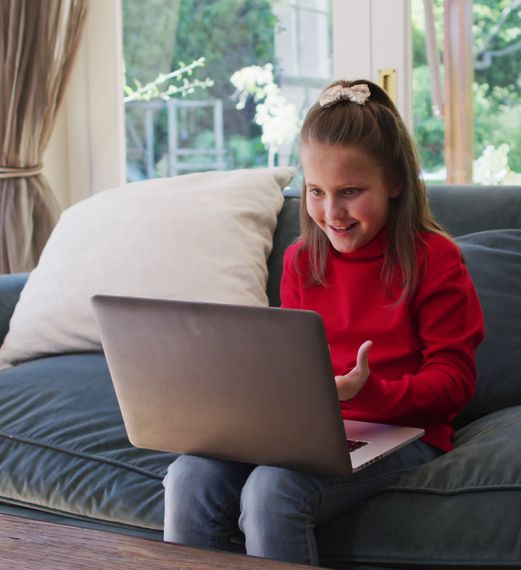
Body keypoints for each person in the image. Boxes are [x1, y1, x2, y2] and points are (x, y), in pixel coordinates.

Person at [162, 79, 485, 565]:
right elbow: (292, 367)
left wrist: (368, 393)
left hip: (406, 433)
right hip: (314, 432)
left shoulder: (435, 259)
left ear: (395, 182)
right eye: (316, 192)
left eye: (350, 192)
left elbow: (455, 384)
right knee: (190, 476)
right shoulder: (300, 260)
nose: (331, 213)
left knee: (273, 491)